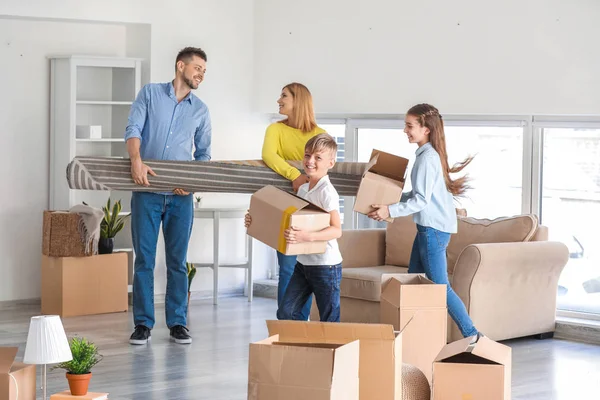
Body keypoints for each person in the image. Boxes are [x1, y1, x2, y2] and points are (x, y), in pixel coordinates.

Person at [368, 103, 479, 338]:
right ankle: (413, 338)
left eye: (410, 126)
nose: (405, 130)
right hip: (428, 229)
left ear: (426, 129)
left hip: (433, 230)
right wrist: (389, 200)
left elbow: (421, 201)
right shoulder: (426, 155)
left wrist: (390, 211)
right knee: (412, 282)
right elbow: (417, 194)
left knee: (439, 288)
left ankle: (473, 336)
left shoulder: (427, 158)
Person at [124, 47, 212, 345]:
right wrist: (136, 159)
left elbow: (203, 156)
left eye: (204, 70)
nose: (201, 73)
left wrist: (192, 184)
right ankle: (143, 324)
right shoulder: (149, 94)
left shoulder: (200, 111)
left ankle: (177, 323)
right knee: (144, 261)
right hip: (146, 193)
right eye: (197, 67)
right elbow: (133, 128)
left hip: (180, 198)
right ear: (180, 66)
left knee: (177, 261)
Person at [248, 133, 343, 321]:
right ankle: (301, 347)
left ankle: (334, 350)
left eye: (318, 157)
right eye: (307, 155)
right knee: (287, 312)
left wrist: (305, 237)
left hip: (326, 266)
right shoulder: (304, 189)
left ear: (330, 163)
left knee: (329, 319)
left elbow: (336, 230)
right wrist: (255, 221)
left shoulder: (327, 192)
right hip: (303, 264)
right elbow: (290, 221)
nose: (310, 161)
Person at [261, 82, 326, 320]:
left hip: (313, 209)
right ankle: (287, 324)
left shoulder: (320, 134)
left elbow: (324, 167)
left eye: (284, 96)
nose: (279, 100)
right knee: (287, 268)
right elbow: (268, 156)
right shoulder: (275, 130)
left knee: (308, 268)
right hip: (285, 207)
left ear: (298, 101)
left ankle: (301, 323)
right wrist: (295, 175)